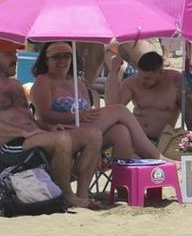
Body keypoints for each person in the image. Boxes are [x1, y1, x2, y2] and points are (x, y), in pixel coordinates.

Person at [0, 38, 105, 209]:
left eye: (15, 54)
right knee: (61, 140)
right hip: (10, 144)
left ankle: (82, 194)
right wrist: (22, 132)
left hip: (35, 136)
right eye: (9, 55)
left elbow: (28, 118)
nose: (15, 59)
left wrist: (48, 127)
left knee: (93, 135)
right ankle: (67, 196)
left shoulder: (16, 84)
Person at [29, 42, 168, 162]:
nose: (62, 61)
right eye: (56, 57)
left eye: (66, 56)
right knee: (119, 110)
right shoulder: (43, 81)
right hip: (62, 131)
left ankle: (121, 187)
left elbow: (89, 110)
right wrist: (77, 116)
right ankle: (156, 156)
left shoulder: (77, 82)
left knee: (121, 132)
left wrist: (88, 112)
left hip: (85, 128)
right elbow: (45, 115)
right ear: (46, 60)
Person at [104, 51, 192, 158]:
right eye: (140, 76)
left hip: (163, 141)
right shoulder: (132, 83)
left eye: (147, 78)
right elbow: (112, 108)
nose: (142, 81)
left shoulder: (175, 81)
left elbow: (190, 116)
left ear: (161, 72)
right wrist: (114, 71)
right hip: (135, 138)